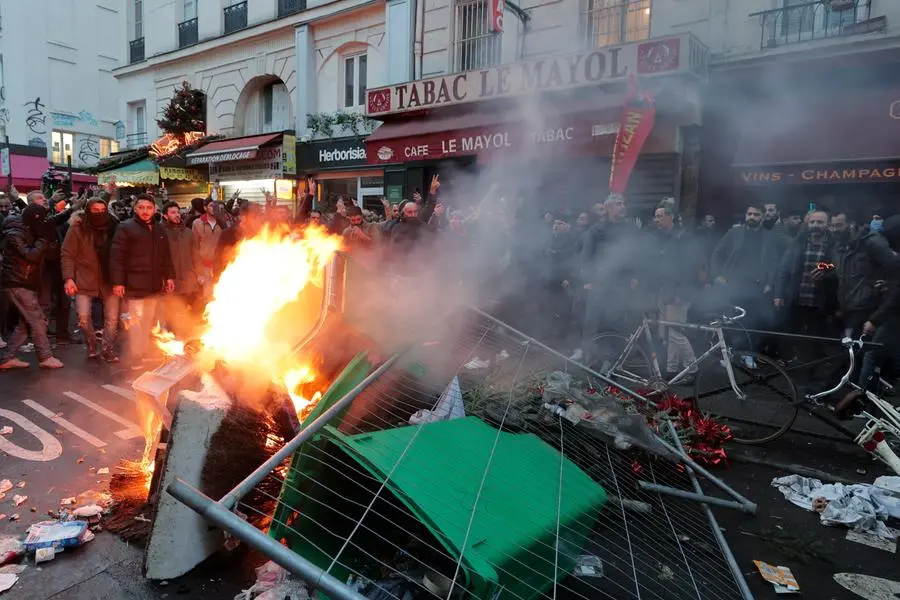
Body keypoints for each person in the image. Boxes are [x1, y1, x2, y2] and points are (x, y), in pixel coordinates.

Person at [109, 195, 175, 367]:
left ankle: (142, 351)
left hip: (153, 285)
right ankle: (135, 356)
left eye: (148, 207)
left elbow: (166, 256)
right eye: (141, 207)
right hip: (133, 283)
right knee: (135, 323)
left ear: (154, 209)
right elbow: (117, 256)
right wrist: (118, 282)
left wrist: (169, 277)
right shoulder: (125, 227)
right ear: (135, 209)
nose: (145, 211)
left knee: (147, 321)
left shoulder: (159, 229)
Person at [0, 201, 64, 369]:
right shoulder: (14, 234)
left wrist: (49, 238)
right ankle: (45, 356)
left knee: (26, 323)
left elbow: (48, 251)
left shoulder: (29, 229)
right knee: (37, 320)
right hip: (16, 282)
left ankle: (7, 357)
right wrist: (43, 238)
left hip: (25, 281)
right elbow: (32, 255)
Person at [60, 197, 120, 361]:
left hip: (109, 278)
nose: (100, 214)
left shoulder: (114, 227)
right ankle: (92, 343)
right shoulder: (77, 228)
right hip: (84, 278)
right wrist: (69, 278)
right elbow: (67, 254)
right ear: (88, 211)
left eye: (103, 210)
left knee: (112, 318)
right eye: (95, 211)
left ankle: (108, 349)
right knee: (84, 318)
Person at [161, 201, 200, 327]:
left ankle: (187, 337)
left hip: (189, 279)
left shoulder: (188, 232)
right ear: (165, 216)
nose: (177, 215)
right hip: (170, 280)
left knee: (189, 312)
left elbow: (195, 255)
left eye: (178, 212)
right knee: (171, 314)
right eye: (173, 213)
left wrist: (199, 274)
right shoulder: (160, 232)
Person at [191, 197, 222, 302]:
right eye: (211, 206)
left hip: (221, 266)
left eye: (216, 206)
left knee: (221, 295)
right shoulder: (197, 223)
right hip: (205, 268)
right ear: (205, 207)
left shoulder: (222, 224)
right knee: (207, 297)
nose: (214, 208)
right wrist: (199, 272)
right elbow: (195, 248)